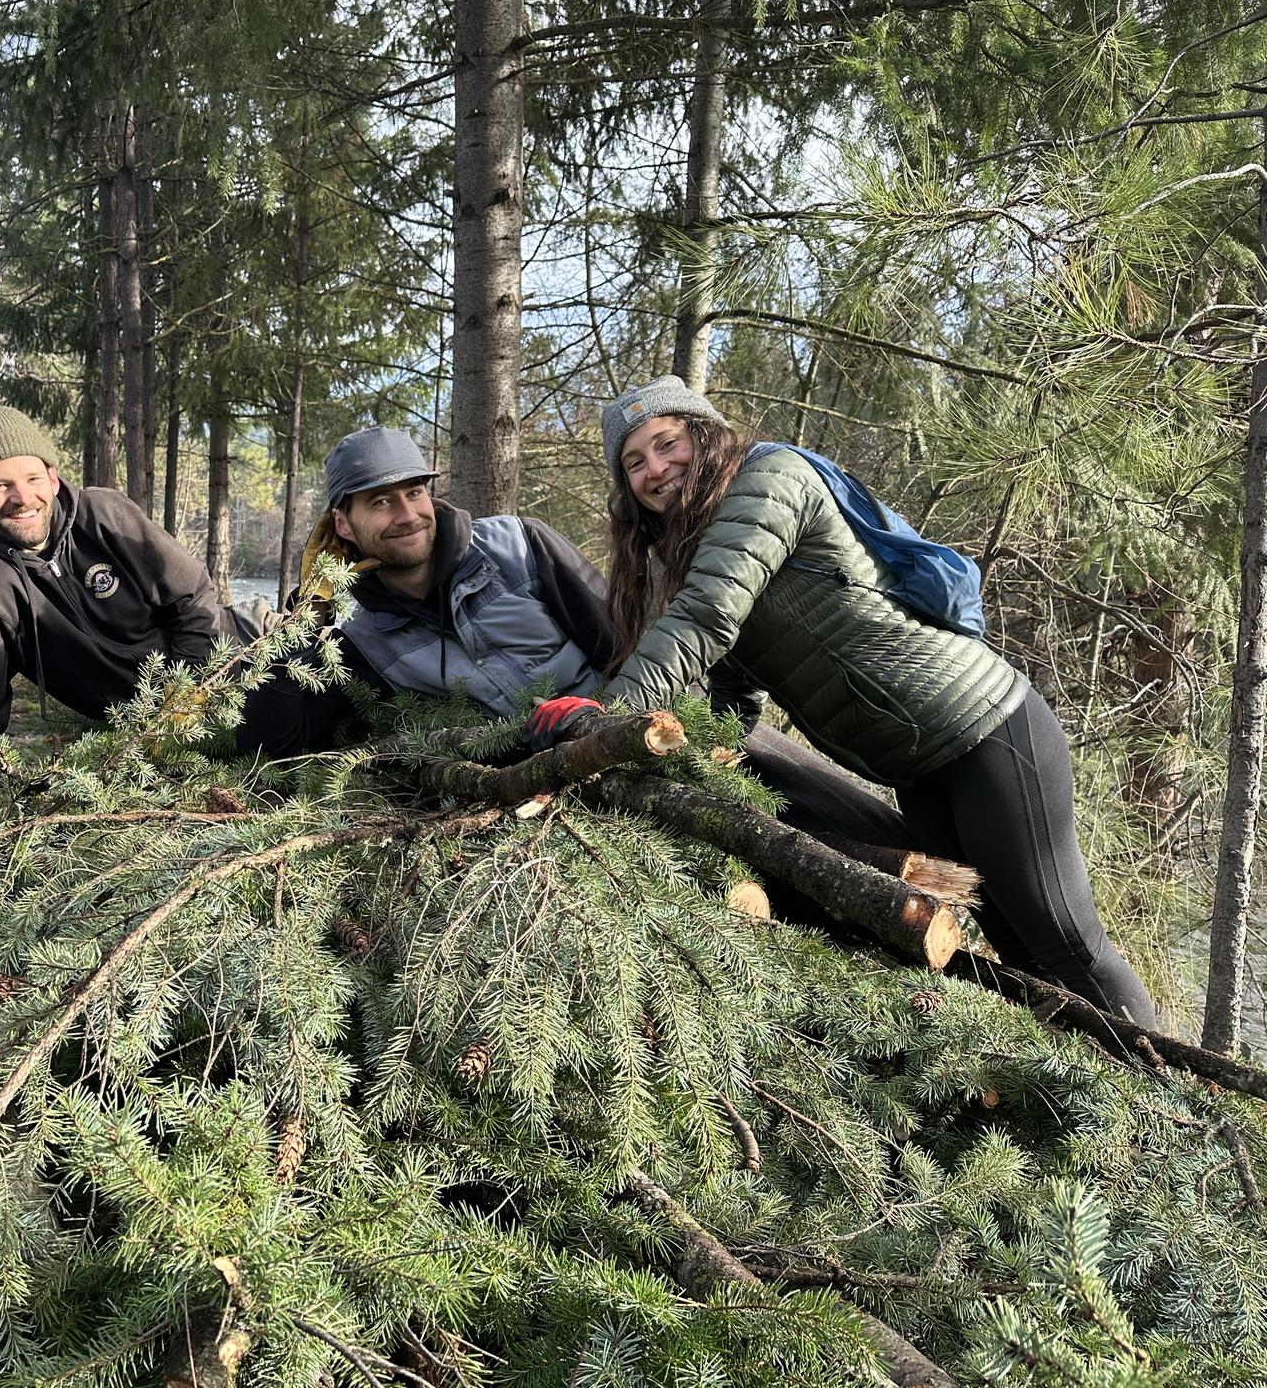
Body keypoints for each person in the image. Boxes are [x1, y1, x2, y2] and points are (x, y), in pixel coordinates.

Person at [531, 375, 1155, 1025]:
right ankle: (1091, 1109)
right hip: (921, 769)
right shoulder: (698, 548)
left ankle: (1165, 1111)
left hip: (988, 732)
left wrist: (609, 714)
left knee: (1067, 945)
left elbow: (707, 617)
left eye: (668, 442)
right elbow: (732, 690)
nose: (657, 468)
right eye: (635, 462)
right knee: (1021, 953)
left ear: (706, 434)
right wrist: (682, 751)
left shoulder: (767, 481)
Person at [236, 427, 614, 756]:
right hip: (514, 787)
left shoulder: (520, 546)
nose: (407, 515)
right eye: (380, 501)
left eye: (414, 492)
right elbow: (274, 750)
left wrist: (602, 715)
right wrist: (308, 613)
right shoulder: (364, 643)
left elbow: (623, 646)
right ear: (343, 525)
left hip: (616, 732)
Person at [0, 406, 223, 802]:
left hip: (230, 665)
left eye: (33, 478)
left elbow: (192, 596)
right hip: (133, 732)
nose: (23, 498)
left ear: (53, 478)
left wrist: (188, 698)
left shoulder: (104, 514)